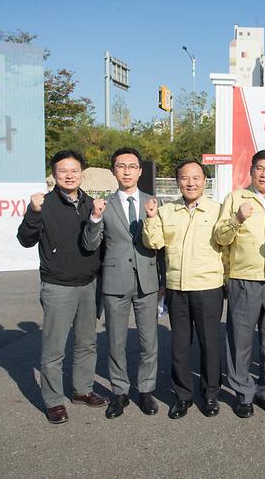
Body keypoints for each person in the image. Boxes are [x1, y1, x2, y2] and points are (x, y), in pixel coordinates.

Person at [17, 150, 108, 424]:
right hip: (57, 285)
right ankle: (54, 400)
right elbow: (25, 239)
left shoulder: (91, 203)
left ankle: (82, 390)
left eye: (74, 171)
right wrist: (33, 213)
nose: (69, 176)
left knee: (87, 343)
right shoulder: (43, 204)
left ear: (82, 174)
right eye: (63, 171)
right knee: (54, 349)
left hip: (88, 284)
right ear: (54, 174)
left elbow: (98, 244)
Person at [82, 147, 162, 419]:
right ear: (113, 171)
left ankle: (146, 390)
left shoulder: (154, 203)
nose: (127, 171)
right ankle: (119, 392)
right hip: (115, 281)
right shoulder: (103, 205)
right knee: (116, 342)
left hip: (147, 280)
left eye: (132, 166)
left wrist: (163, 280)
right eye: (121, 166)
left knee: (148, 340)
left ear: (140, 171)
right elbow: (90, 244)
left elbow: (162, 246)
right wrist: (94, 218)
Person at [142, 160, 225, 419]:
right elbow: (154, 243)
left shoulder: (218, 210)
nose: (190, 183)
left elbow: (227, 245)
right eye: (185, 178)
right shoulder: (166, 211)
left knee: (210, 344)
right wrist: (151, 217)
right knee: (179, 345)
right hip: (177, 287)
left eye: (196, 178)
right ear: (178, 181)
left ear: (204, 181)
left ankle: (210, 394)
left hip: (208, 287)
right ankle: (182, 396)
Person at [214, 150, 265, 418]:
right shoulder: (236, 198)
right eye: (260, 168)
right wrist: (237, 219)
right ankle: (244, 393)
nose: (264, 174)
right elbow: (220, 238)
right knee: (240, 340)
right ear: (251, 171)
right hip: (243, 279)